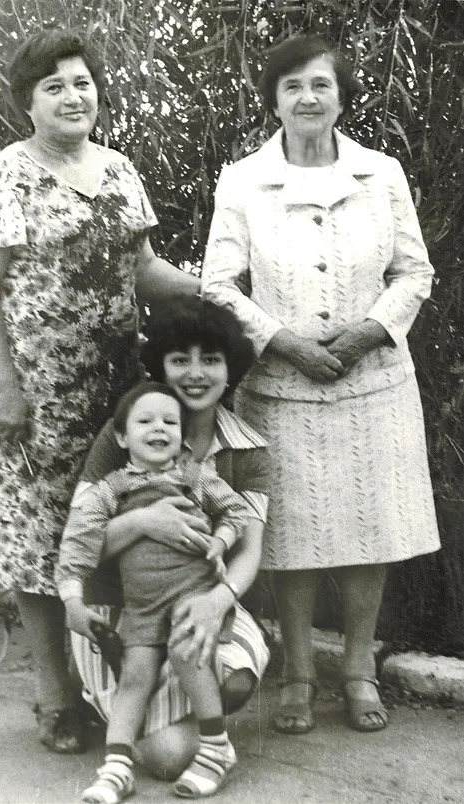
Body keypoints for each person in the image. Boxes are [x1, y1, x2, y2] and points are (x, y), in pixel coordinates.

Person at [0, 28, 199, 754]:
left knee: (105, 532)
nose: (73, 95)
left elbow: (143, 270)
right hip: (29, 398)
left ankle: (117, 688)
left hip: (112, 393)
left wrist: (211, 293)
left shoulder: (120, 169)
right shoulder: (5, 176)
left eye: (83, 81)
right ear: (27, 103)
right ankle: (56, 698)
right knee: (38, 548)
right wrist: (4, 389)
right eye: (54, 85)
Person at [201, 33, 440, 735]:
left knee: (371, 529)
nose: (306, 98)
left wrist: (368, 332)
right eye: (292, 87)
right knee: (291, 537)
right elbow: (218, 284)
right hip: (281, 384)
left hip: (373, 380)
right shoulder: (243, 179)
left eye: (320, 86)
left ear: (341, 97)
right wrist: (282, 341)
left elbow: (413, 272)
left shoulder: (381, 173)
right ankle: (300, 673)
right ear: (272, 100)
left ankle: (359, 669)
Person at [69, 297, 270, 786]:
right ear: (161, 365)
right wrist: (144, 522)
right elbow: (80, 539)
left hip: (199, 596)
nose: (195, 373)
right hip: (124, 606)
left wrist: (215, 601)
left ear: (230, 369)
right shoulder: (126, 431)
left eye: (211, 359)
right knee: (166, 758)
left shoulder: (248, 447)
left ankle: (196, 724)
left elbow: (250, 548)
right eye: (180, 359)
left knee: (235, 677)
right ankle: (129, 711)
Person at [58, 381, 249, 801]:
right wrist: (72, 599)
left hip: (193, 596)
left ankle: (216, 748)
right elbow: (78, 543)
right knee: (134, 678)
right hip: (143, 607)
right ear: (122, 436)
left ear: (182, 434)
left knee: (187, 649)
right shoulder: (110, 489)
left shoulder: (193, 477)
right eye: (145, 421)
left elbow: (236, 511)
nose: (158, 428)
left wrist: (219, 542)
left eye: (170, 421)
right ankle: (117, 767)